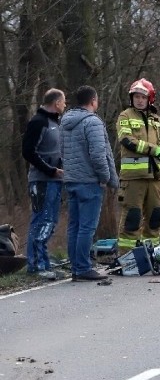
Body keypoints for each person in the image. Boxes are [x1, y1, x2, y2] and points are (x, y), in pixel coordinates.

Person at [61, 86, 119, 281]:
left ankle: (76, 267)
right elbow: (98, 155)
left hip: (71, 179)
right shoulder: (92, 122)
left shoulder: (65, 122)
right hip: (89, 181)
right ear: (93, 100)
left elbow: (62, 151)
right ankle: (84, 267)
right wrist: (105, 177)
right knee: (87, 227)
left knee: (74, 226)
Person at [116, 78, 160, 253]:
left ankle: (152, 255)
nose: (139, 100)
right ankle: (126, 258)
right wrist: (154, 150)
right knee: (132, 218)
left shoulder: (156, 119)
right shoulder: (125, 116)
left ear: (150, 99)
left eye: (143, 97)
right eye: (136, 96)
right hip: (133, 179)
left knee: (155, 217)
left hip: (155, 177)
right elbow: (127, 140)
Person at [22, 88, 66, 280]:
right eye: (64, 102)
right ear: (56, 103)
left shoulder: (55, 122)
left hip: (55, 181)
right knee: (41, 221)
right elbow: (28, 152)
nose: (65, 105)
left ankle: (45, 261)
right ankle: (35, 265)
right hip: (41, 181)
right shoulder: (38, 122)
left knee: (50, 222)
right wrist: (50, 170)